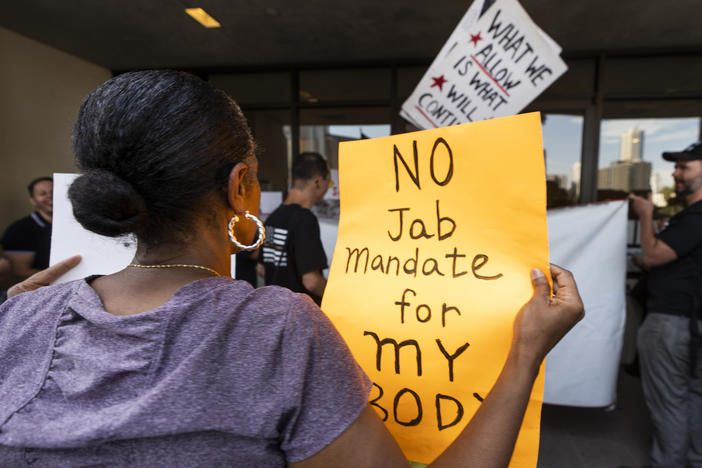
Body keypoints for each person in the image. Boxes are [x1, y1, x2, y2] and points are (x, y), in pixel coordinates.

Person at [0, 70, 583, 467]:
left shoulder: (19, 319)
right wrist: (527, 349)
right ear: (240, 186)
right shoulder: (279, 329)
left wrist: (18, 315)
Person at [630, 141, 702, 468]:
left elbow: (652, 255)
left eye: (684, 167)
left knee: (670, 404)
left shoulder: (696, 216)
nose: (675, 173)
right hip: (691, 321)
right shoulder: (689, 219)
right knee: (692, 401)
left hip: (673, 324)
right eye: (676, 167)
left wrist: (645, 217)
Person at [261, 152, 330, 304]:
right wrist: (337, 298)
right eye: (329, 183)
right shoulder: (305, 220)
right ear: (318, 181)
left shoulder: (273, 218)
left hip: (274, 312)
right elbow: (311, 282)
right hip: (299, 317)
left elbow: (262, 268)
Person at [1, 176, 54, 281]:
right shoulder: (19, 230)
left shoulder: (78, 223)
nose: (50, 196)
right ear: (33, 201)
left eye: (53, 192)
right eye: (43, 194)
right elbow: (20, 272)